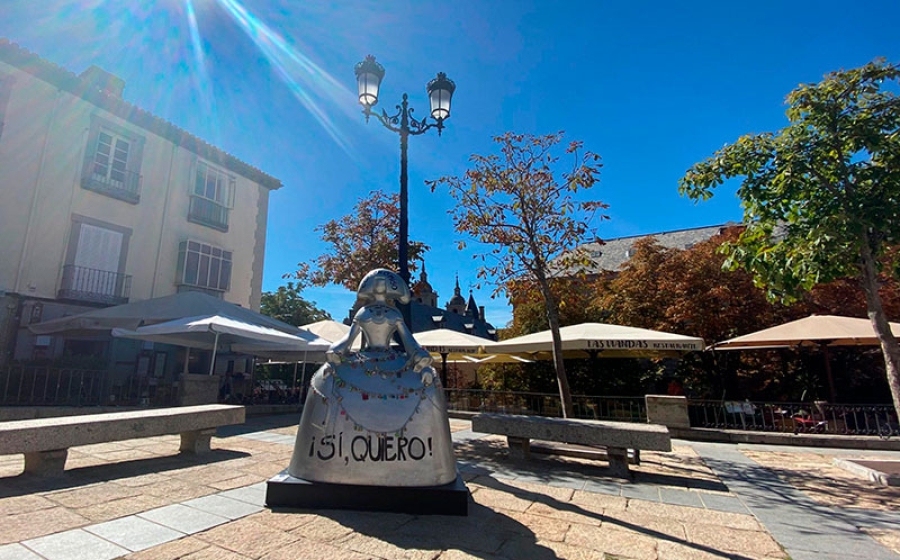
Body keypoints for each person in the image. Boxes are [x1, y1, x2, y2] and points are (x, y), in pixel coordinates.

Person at [287, 269, 457, 487]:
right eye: (376, 281)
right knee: (325, 377)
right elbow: (349, 338)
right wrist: (336, 351)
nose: (379, 285)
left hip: (390, 356)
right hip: (364, 356)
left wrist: (419, 356)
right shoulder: (363, 313)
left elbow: (408, 340)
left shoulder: (394, 315)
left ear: (391, 287)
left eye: (384, 282)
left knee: (428, 382)